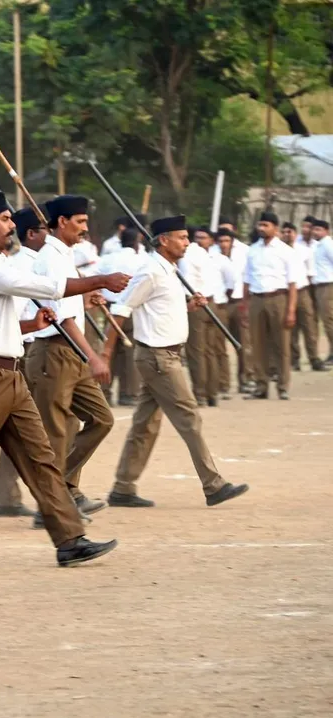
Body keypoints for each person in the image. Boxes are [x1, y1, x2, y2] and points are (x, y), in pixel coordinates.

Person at [0, 191, 123, 568]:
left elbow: (5, 323)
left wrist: (34, 324)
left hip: (9, 373)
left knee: (42, 459)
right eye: (4, 219)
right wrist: (102, 280)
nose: (12, 224)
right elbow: (50, 288)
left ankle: (69, 540)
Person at [102, 216, 251, 508]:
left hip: (165, 354)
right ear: (164, 240)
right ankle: (214, 484)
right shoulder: (150, 271)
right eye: (181, 237)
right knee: (189, 417)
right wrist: (106, 353)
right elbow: (121, 309)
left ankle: (123, 487)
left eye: (187, 237)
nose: (187, 242)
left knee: (144, 425)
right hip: (158, 357)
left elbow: (160, 310)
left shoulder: (168, 270)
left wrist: (189, 306)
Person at [26, 195, 115, 518]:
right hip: (55, 352)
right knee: (55, 432)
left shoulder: (64, 255)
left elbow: (67, 305)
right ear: (61, 222)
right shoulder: (51, 257)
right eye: (79, 222)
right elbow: (62, 320)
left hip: (70, 352)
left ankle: (64, 487)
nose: (85, 228)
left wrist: (86, 299)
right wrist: (94, 356)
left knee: (101, 419)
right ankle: (50, 504)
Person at [0, 207, 48, 518]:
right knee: (33, 430)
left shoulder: (30, 263)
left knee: (17, 431)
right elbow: (10, 319)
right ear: (32, 234)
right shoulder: (21, 267)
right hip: (20, 352)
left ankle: (8, 497)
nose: (49, 235)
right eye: (44, 229)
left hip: (24, 346)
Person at [242, 211, 300, 400]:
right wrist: (245, 304)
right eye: (260, 225)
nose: (261, 228)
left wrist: (291, 310)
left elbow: (292, 284)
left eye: (266, 225)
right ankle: (261, 385)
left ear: (275, 228)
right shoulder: (252, 250)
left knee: (281, 344)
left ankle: (283, 386)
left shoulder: (286, 251)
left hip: (278, 299)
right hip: (256, 299)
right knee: (258, 345)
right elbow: (247, 279)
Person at [95, 228, 146, 405]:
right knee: (130, 353)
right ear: (137, 242)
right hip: (131, 309)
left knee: (108, 351)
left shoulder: (108, 259)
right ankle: (129, 394)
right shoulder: (143, 260)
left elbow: (93, 278)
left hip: (109, 308)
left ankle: (105, 393)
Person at [180, 227, 229, 405]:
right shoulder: (208, 254)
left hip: (196, 303)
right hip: (211, 301)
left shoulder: (187, 254)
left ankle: (200, 393)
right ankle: (212, 393)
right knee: (210, 351)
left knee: (196, 352)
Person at [213, 229, 255, 394]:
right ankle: (223, 383)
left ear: (232, 241)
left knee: (243, 343)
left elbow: (249, 277)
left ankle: (246, 379)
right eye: (221, 241)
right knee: (218, 346)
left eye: (226, 241)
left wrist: (247, 302)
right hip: (221, 304)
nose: (224, 244)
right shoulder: (212, 256)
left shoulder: (245, 252)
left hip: (239, 302)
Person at [281, 223, 323, 371]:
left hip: (303, 291)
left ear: (295, 233)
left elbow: (311, 273)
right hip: (285, 293)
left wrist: (312, 297)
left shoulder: (305, 251)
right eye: (284, 232)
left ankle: (314, 358)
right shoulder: (279, 251)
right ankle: (294, 360)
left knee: (309, 327)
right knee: (291, 329)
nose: (287, 234)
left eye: (290, 232)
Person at [311, 220, 333, 365]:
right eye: (314, 229)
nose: (315, 232)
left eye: (318, 229)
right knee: (326, 322)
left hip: (328, 286)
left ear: (326, 231)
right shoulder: (319, 245)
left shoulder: (327, 245)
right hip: (320, 286)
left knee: (329, 321)